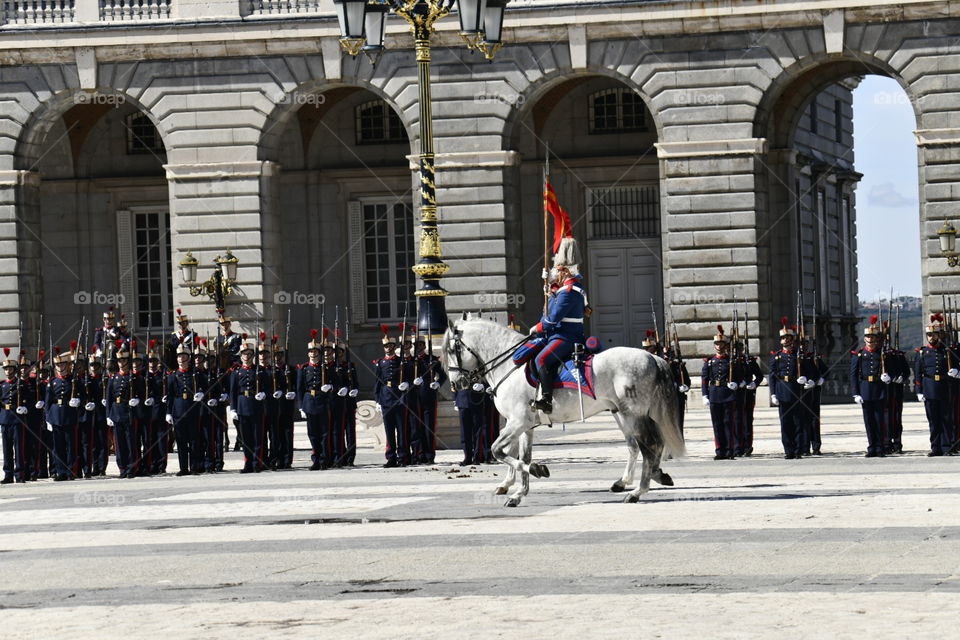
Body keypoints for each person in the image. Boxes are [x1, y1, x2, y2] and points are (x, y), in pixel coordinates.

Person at [769, 318, 816, 459]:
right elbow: (772, 376)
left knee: (798, 422)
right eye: (782, 338)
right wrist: (773, 394)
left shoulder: (800, 356)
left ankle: (798, 449)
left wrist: (809, 380)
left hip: (797, 391)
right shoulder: (777, 357)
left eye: (786, 338)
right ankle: (788, 449)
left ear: (791, 339)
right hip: (783, 391)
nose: (784, 340)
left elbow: (812, 371)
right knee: (785, 423)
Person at [914, 314, 959, 456]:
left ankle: (947, 446)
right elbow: (917, 374)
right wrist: (919, 391)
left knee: (947, 419)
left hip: (946, 387)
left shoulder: (948, 351)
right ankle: (935, 447)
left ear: (940, 335)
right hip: (930, 388)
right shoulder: (922, 352)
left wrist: (957, 372)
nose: (932, 337)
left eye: (934, 334)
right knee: (933, 421)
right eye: (929, 335)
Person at [850, 315, 891, 458]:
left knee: (880, 420)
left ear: (876, 339)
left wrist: (888, 377)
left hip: (879, 389)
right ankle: (871, 447)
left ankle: (880, 447)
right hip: (865, 389)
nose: (870, 339)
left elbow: (890, 370)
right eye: (868, 337)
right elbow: (853, 375)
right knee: (869, 421)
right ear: (865, 338)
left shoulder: (882, 354)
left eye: (872, 337)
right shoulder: (859, 354)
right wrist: (856, 393)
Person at [701, 326, 742, 460]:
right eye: (717, 344)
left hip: (728, 395)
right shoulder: (710, 362)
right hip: (714, 395)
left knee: (728, 423)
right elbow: (705, 379)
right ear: (714, 346)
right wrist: (704, 395)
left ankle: (729, 450)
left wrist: (736, 384)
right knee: (717, 424)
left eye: (721, 344)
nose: (719, 346)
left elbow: (740, 377)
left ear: (725, 346)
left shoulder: (731, 362)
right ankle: (720, 450)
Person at [45, 345, 84, 481]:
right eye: (58, 365)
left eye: (62, 365)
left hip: (69, 415)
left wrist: (78, 401)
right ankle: (60, 471)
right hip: (56, 416)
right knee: (58, 447)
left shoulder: (74, 381)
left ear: (66, 366)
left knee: (71, 446)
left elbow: (83, 397)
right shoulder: (52, 383)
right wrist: (48, 419)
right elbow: (48, 402)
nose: (60, 367)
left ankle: (71, 471)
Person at [230, 337, 266, 473]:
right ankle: (248, 463)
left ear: (252, 355)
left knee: (258, 437)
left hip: (256, 405)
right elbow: (233, 391)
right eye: (244, 354)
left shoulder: (259, 370)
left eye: (248, 354)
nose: (246, 356)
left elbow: (267, 387)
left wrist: (263, 394)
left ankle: (258, 463)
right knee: (246, 438)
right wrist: (233, 409)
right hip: (242, 405)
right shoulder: (236, 372)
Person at [374, 325, 406, 467]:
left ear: (394, 346)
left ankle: (403, 456)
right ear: (384, 348)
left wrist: (406, 385)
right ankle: (391, 457)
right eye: (386, 346)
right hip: (386, 397)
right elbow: (377, 383)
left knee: (401, 429)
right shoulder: (381, 363)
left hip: (399, 397)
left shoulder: (401, 361)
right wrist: (378, 401)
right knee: (389, 430)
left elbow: (409, 378)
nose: (388, 348)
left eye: (391, 345)